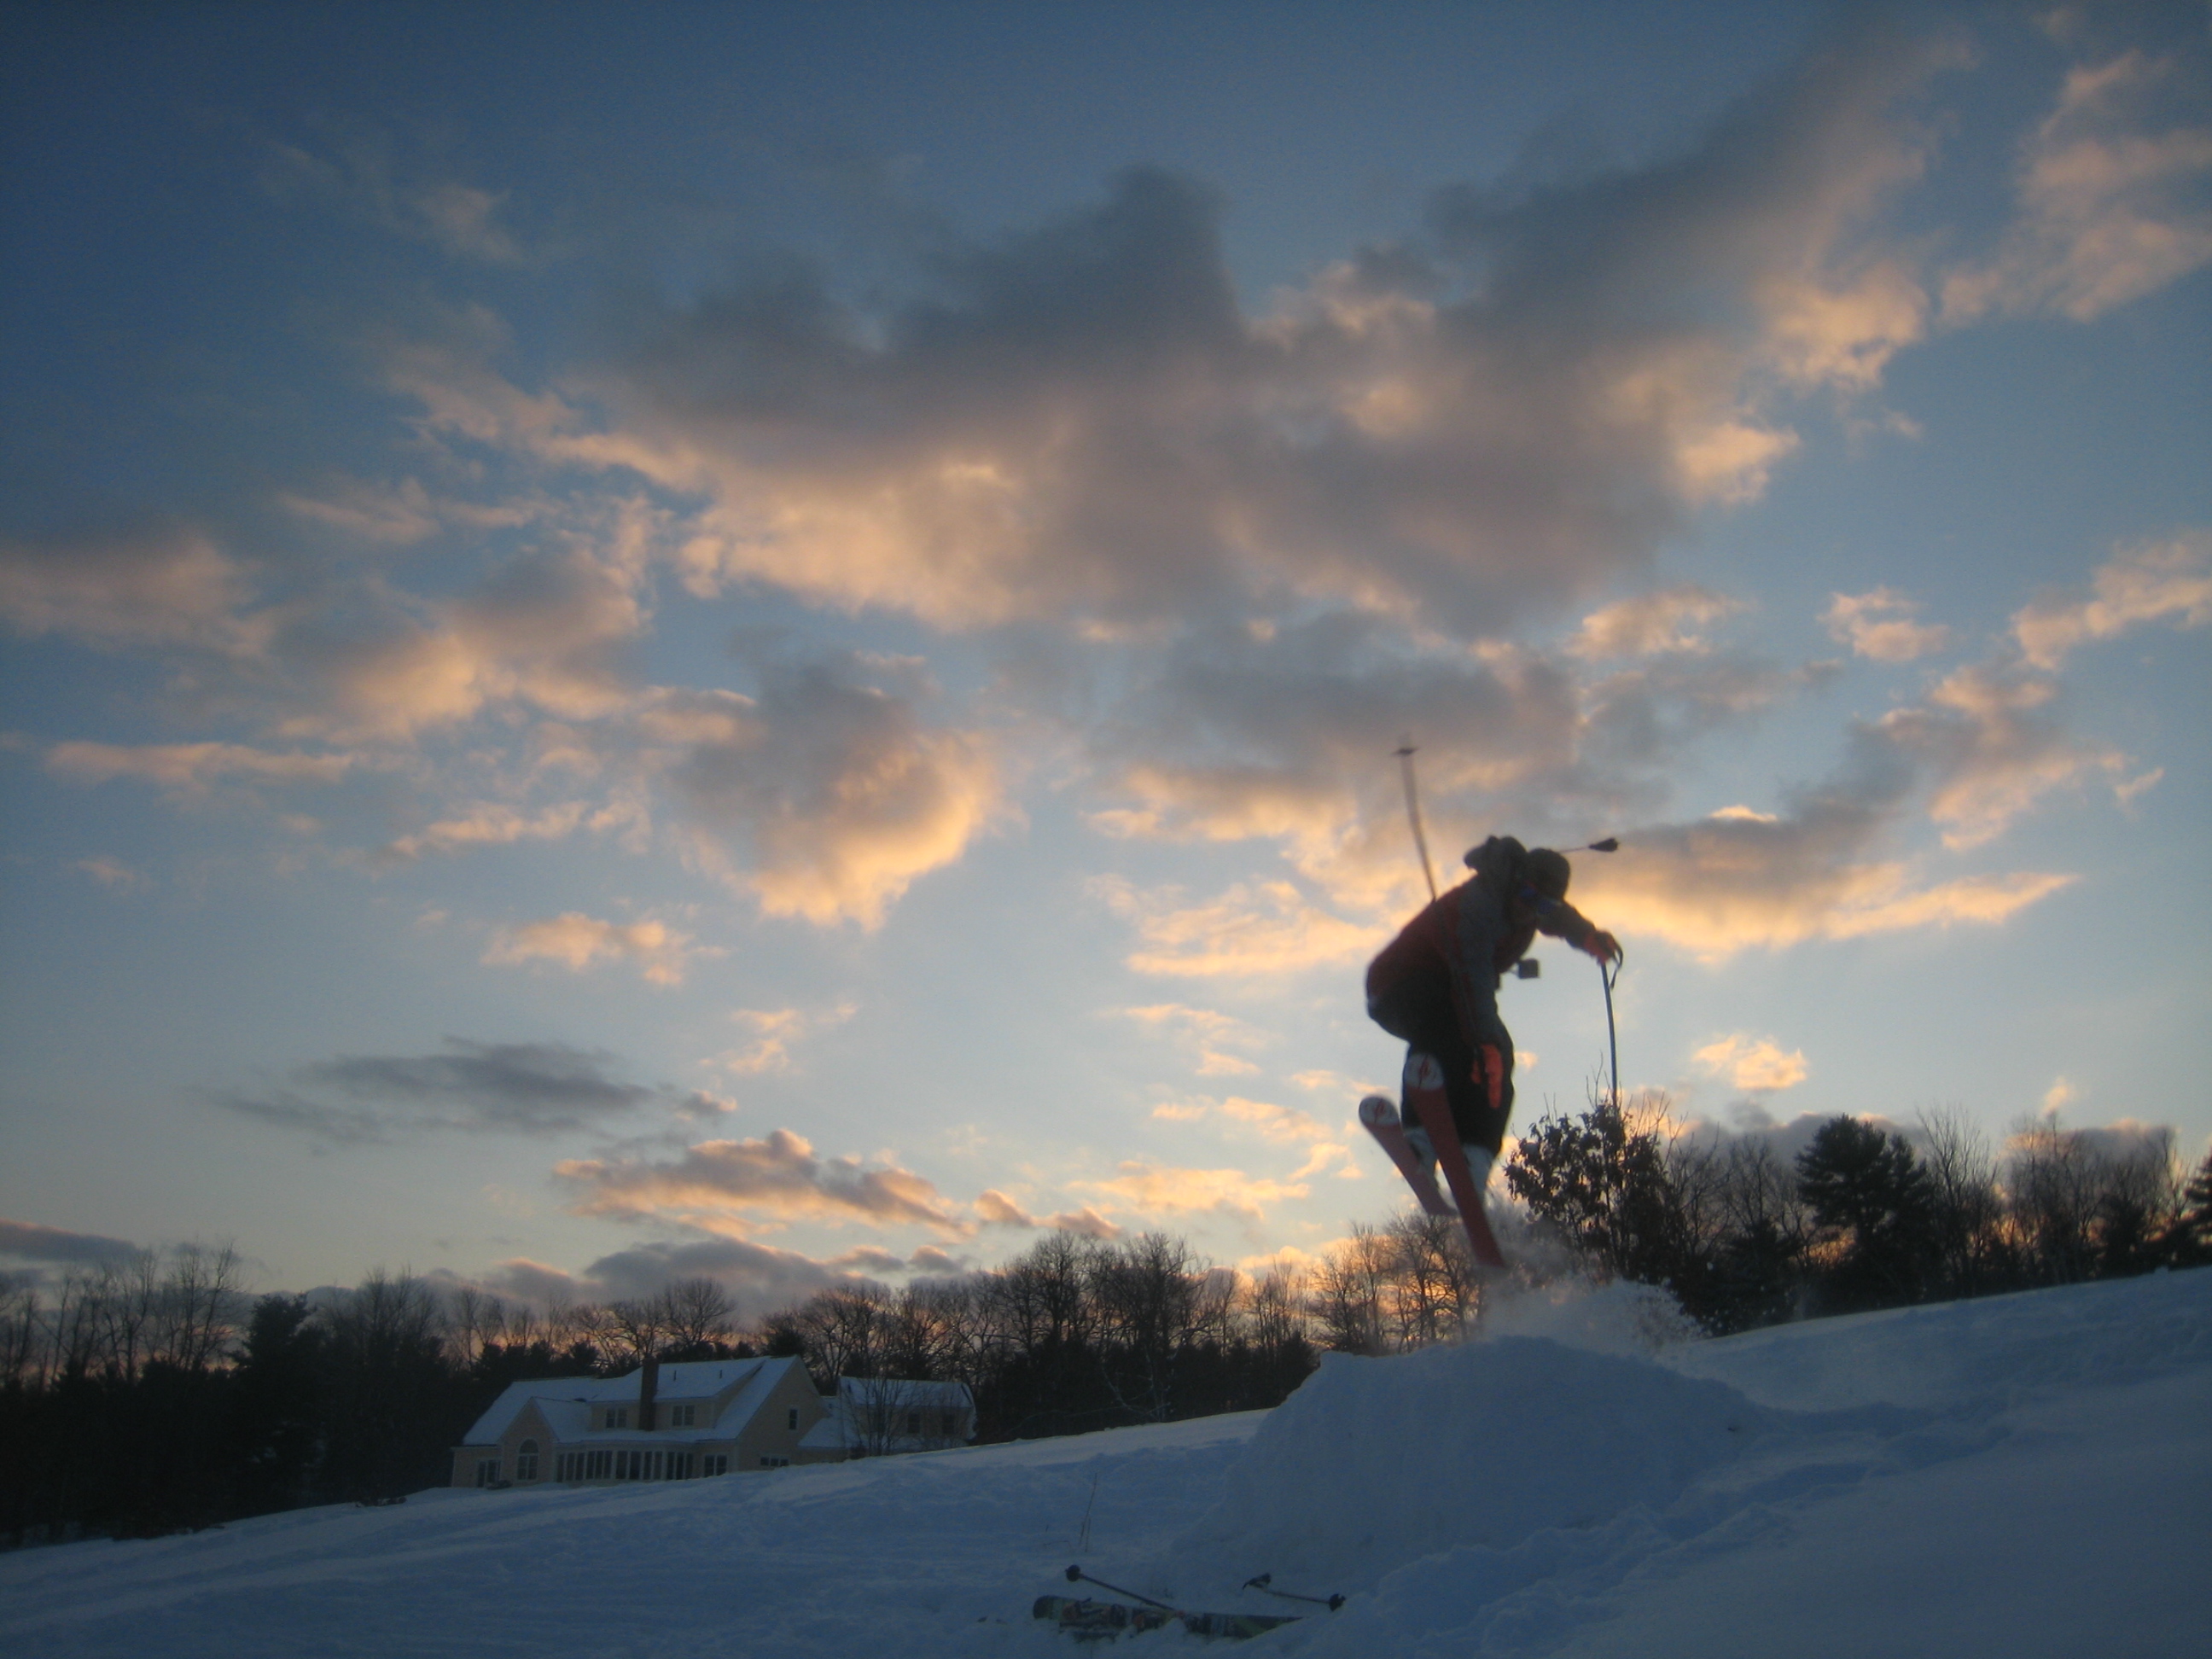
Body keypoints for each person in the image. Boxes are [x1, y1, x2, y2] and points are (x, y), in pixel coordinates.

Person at [1365, 835, 1621, 1192]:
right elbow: (1473, 978)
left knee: (1500, 1055)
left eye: (1543, 906)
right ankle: (1420, 1140)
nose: (1530, 909)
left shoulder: (1534, 906)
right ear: (1517, 882)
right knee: (1451, 1030)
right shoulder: (1480, 906)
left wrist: (1588, 936)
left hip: (1453, 990)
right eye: (1529, 897)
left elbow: (1559, 917)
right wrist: (1483, 1041)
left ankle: (1476, 1152)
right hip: (1397, 984)